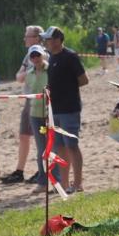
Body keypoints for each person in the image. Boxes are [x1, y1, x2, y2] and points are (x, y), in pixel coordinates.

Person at [41, 26, 89, 192]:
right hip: (55, 109)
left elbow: (84, 80)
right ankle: (64, 183)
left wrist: (66, 89)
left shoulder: (70, 56)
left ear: (57, 40)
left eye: (48, 39)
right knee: (60, 147)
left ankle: (78, 183)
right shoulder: (51, 58)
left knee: (72, 146)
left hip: (69, 108)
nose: (46, 42)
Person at [2, 26, 44, 185]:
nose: (24, 39)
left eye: (27, 36)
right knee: (24, 135)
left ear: (37, 37)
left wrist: (29, 74)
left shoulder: (42, 54)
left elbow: (37, 75)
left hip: (40, 101)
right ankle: (19, 171)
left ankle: (42, 170)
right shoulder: (29, 56)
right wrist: (30, 73)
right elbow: (19, 77)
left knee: (42, 137)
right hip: (29, 99)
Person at [24, 44, 54, 193]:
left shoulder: (51, 70)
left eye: (38, 55)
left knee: (54, 147)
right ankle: (42, 181)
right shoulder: (29, 74)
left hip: (51, 114)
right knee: (42, 149)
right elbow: (28, 94)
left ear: (43, 55)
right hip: (35, 115)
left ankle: (57, 180)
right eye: (33, 56)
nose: (35, 58)